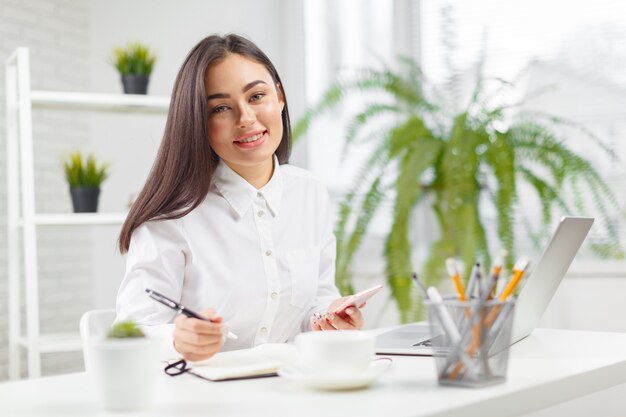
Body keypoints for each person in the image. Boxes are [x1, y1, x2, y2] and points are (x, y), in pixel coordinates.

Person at [116, 34, 366, 362]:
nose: (245, 118)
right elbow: (131, 331)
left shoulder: (310, 193)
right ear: (199, 122)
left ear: (279, 97)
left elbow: (316, 302)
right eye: (220, 107)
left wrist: (329, 320)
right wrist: (177, 340)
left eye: (257, 96)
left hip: (290, 386)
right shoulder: (172, 216)